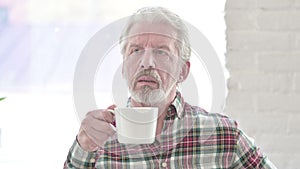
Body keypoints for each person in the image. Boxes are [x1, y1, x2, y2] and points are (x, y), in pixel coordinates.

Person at [64, 7, 277, 168]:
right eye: (136, 50)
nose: (146, 62)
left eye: (161, 52)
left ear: (182, 71)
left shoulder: (224, 135)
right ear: (123, 67)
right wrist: (82, 147)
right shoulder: (96, 139)